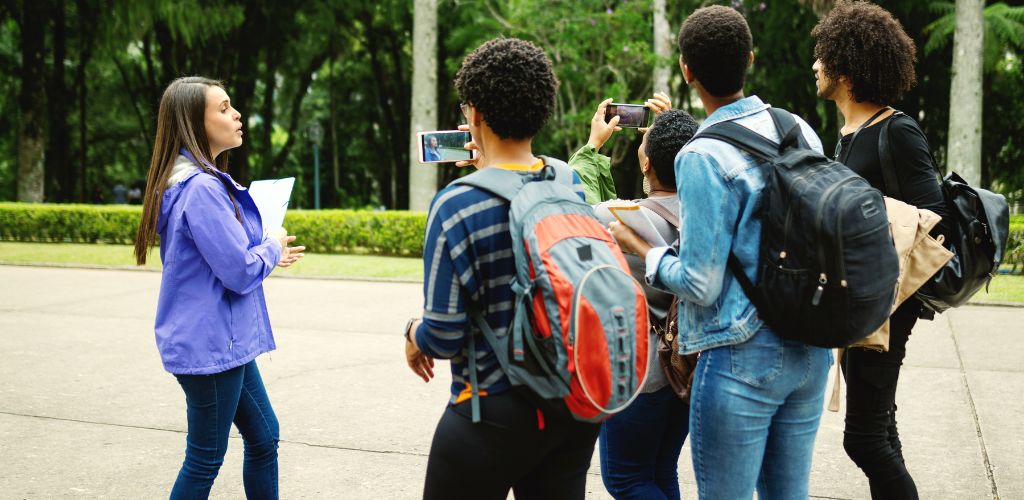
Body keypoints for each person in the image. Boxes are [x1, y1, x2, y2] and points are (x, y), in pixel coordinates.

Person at [610, 6, 832, 499]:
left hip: (741, 354)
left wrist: (643, 250)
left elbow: (700, 282)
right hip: (812, 346)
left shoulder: (701, 154)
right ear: (749, 59)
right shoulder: (796, 127)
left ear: (687, 71)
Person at [402, 37, 597, 500]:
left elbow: (444, 336)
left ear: (474, 115)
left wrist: (412, 333)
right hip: (571, 404)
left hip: (492, 413)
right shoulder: (569, 182)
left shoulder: (457, 204)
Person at [134, 76, 304, 500]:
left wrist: (265, 253)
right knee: (205, 458)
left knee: (265, 438)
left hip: (225, 343)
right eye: (224, 108)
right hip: (211, 347)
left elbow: (220, 260)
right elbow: (239, 272)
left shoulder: (191, 183)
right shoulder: (202, 188)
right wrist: (269, 246)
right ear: (196, 122)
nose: (237, 114)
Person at [811, 3, 953, 498]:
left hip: (888, 304)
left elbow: (935, 219)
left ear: (845, 73)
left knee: (864, 440)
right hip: (859, 298)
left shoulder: (898, 130)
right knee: (881, 432)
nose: (814, 66)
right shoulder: (849, 135)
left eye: (821, 57)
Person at [569, 96, 699, 500]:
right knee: (660, 470)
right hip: (687, 366)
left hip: (639, 379)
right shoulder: (708, 213)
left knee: (626, 479)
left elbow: (571, 209)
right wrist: (679, 135)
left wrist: (592, 149)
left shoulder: (622, 220)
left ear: (646, 164)